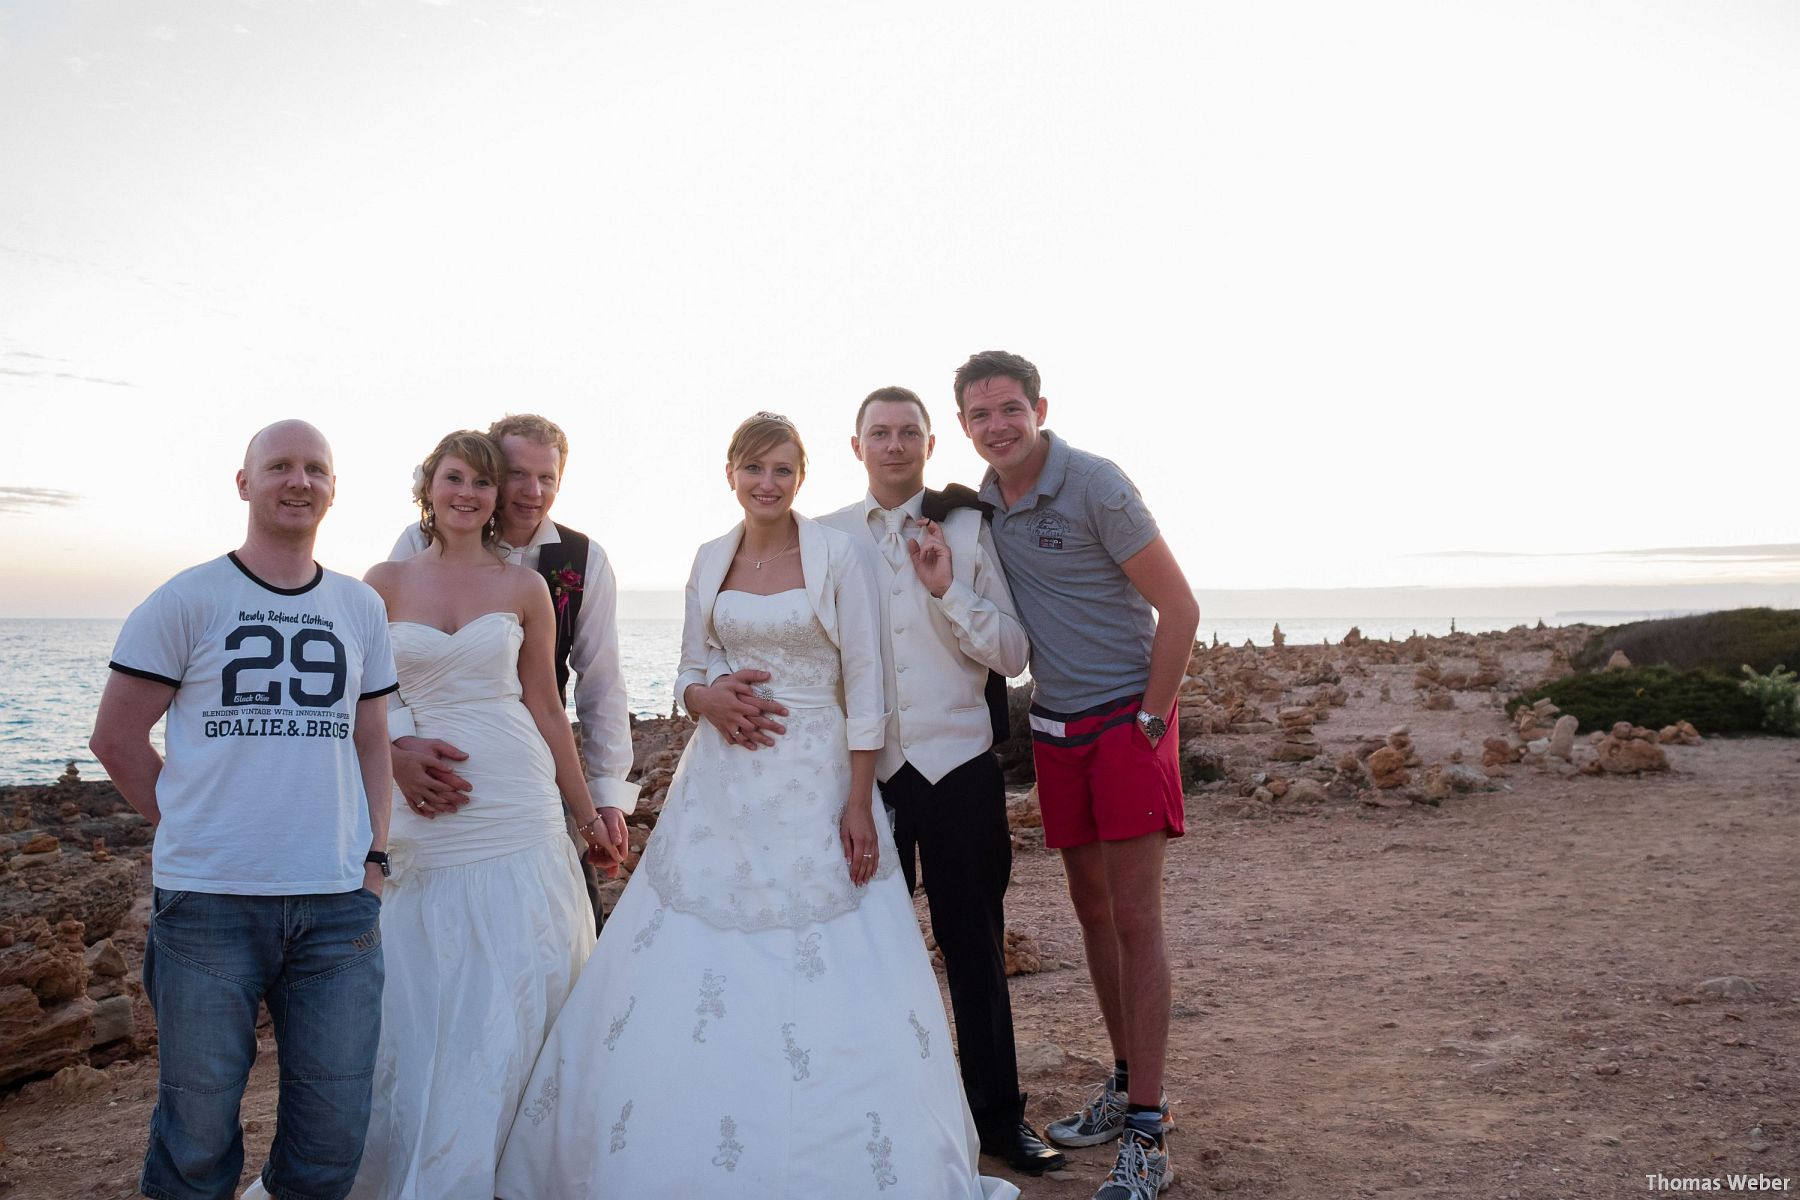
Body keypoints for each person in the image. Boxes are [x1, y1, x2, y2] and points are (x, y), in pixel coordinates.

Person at [494, 413, 1017, 1200]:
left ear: (800, 478)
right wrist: (707, 699)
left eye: (781, 470)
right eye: (752, 469)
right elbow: (687, 668)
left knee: (833, 955)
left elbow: (866, 686)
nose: (766, 484)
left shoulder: (836, 556)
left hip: (818, 778)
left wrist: (856, 801)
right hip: (722, 790)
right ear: (731, 474)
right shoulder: (710, 558)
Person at [90, 420, 397, 1200]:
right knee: (196, 1136)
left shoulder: (359, 606)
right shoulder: (189, 598)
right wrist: (192, 828)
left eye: (316, 469)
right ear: (245, 482)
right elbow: (117, 739)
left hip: (336, 908)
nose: (300, 482)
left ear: (333, 489)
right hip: (209, 906)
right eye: (281, 466)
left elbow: (372, 742)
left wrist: (376, 859)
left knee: (332, 1132)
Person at [350, 431, 620, 1199]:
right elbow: (363, 697)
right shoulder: (383, 580)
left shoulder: (525, 588)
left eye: (482, 482)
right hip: (420, 804)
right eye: (453, 478)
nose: (467, 493)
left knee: (522, 964)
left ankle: (521, 1160)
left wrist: (591, 811)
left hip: (516, 797)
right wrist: (400, 751)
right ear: (427, 487)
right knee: (423, 973)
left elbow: (546, 705)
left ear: (499, 497)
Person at [956, 351, 1200, 1200]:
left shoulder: (1095, 483)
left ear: (1039, 409)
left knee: (1137, 917)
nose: (998, 425)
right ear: (965, 426)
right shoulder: (981, 505)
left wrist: (1151, 719)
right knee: (1092, 913)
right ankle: (1126, 1077)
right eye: (981, 415)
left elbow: (1183, 608)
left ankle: (1147, 1129)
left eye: (1011, 409)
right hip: (1056, 730)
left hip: (1127, 724)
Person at [808, 386, 1066, 1175]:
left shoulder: (966, 527)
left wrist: (947, 588)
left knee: (976, 950)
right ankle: (866, 1113)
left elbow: (1014, 653)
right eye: (878, 433)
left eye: (908, 433)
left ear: (930, 443)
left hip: (956, 767)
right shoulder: (819, 539)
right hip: (861, 777)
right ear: (855, 447)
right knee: (859, 951)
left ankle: (998, 1120)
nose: (894, 445)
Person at [386, 414, 632, 916]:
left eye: (548, 478)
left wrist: (604, 797)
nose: (532, 491)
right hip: (432, 763)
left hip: (532, 764)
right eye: (518, 474)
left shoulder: (584, 559)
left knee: (561, 908)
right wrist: (397, 749)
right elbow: (381, 661)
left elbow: (601, 683)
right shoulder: (418, 543)